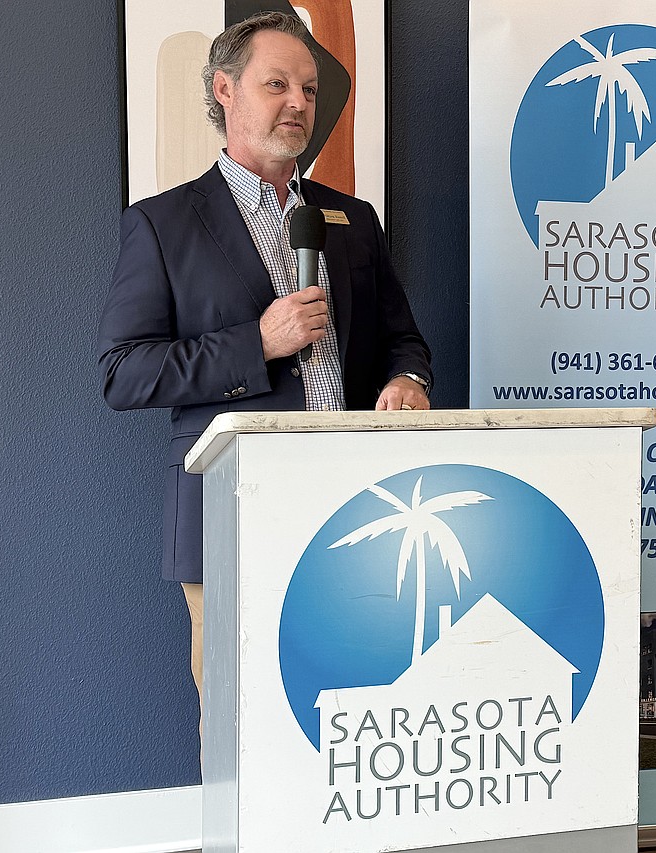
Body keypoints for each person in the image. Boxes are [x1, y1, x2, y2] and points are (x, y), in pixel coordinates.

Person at [97, 11, 432, 708]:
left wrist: (408, 378)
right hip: (232, 505)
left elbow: (403, 336)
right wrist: (260, 342)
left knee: (354, 695)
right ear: (225, 90)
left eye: (309, 90)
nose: (298, 103)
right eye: (276, 83)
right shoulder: (162, 223)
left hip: (352, 500)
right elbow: (124, 371)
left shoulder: (351, 219)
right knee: (241, 709)